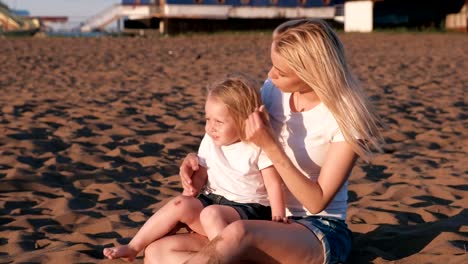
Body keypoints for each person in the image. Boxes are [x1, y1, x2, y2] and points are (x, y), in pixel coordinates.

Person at [143, 19, 383, 264]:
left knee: (236, 235)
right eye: (272, 65)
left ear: (311, 73)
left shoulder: (347, 117)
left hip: (319, 228)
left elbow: (316, 200)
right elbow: (234, 133)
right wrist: (197, 163)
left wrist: (270, 145)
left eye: (280, 71)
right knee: (158, 251)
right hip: (263, 217)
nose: (270, 74)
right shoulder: (273, 91)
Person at [102, 77, 285, 261]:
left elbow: (273, 184)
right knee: (179, 204)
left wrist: (278, 220)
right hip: (213, 201)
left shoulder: (257, 145)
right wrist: (188, 194)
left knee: (211, 214)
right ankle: (134, 246)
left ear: (243, 120)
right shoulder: (210, 140)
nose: (211, 128)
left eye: (219, 122)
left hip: (248, 210)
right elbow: (202, 173)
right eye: (207, 119)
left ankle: (228, 257)